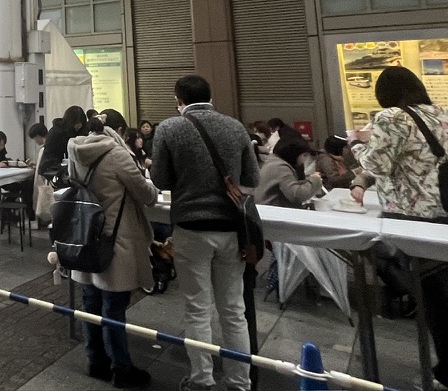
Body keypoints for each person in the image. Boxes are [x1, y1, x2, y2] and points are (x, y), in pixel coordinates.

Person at [150, 75, 260, 391]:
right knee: (234, 310)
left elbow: (160, 180)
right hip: (230, 228)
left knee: (197, 309)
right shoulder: (235, 127)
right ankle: (239, 382)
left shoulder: (169, 129)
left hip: (190, 227)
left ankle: (202, 379)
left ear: (178, 100)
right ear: (210, 97)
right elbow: (252, 178)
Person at [349, 66, 448, 387]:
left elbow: (376, 164)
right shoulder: (439, 114)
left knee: (433, 301)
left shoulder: (391, 117)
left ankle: (445, 371)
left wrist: (355, 143)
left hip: (413, 218)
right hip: (443, 212)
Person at [69, 117, 156, 387]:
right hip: (115, 241)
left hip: (86, 237)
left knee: (90, 303)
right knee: (114, 307)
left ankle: (96, 361)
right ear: (118, 130)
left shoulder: (75, 150)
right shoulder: (117, 155)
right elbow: (147, 195)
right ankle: (122, 369)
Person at [256, 137, 322, 209]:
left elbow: (289, 185)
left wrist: (308, 181)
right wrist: (314, 180)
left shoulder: (273, 162)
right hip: (273, 211)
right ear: (293, 154)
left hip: (269, 209)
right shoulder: (280, 168)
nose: (305, 160)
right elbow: (296, 195)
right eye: (304, 155)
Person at [39, 106, 89, 188]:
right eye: (76, 123)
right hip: (58, 173)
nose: (78, 126)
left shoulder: (82, 132)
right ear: (70, 121)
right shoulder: (56, 133)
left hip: (76, 174)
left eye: (81, 123)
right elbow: (49, 157)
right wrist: (62, 170)